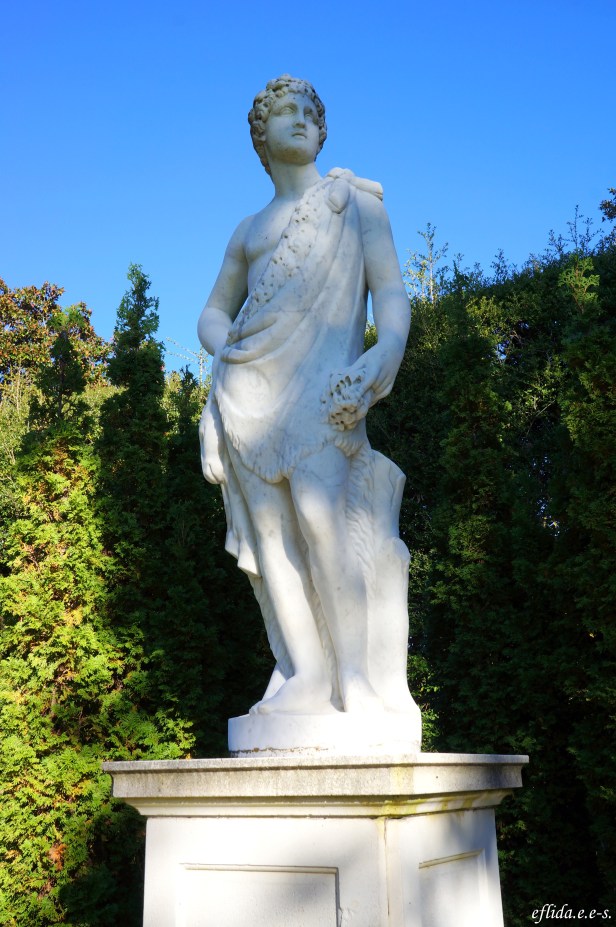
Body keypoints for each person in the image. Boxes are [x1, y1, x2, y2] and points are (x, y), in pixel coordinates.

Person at [197, 75, 416, 719]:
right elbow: (213, 312)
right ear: (259, 137)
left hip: (322, 390)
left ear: (321, 129)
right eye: (281, 112)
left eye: (306, 112)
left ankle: (357, 678)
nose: (297, 119)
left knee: (325, 527)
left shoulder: (354, 203)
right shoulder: (250, 231)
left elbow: (392, 293)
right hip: (248, 395)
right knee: (273, 541)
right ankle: (308, 676)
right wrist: (228, 349)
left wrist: (387, 349)